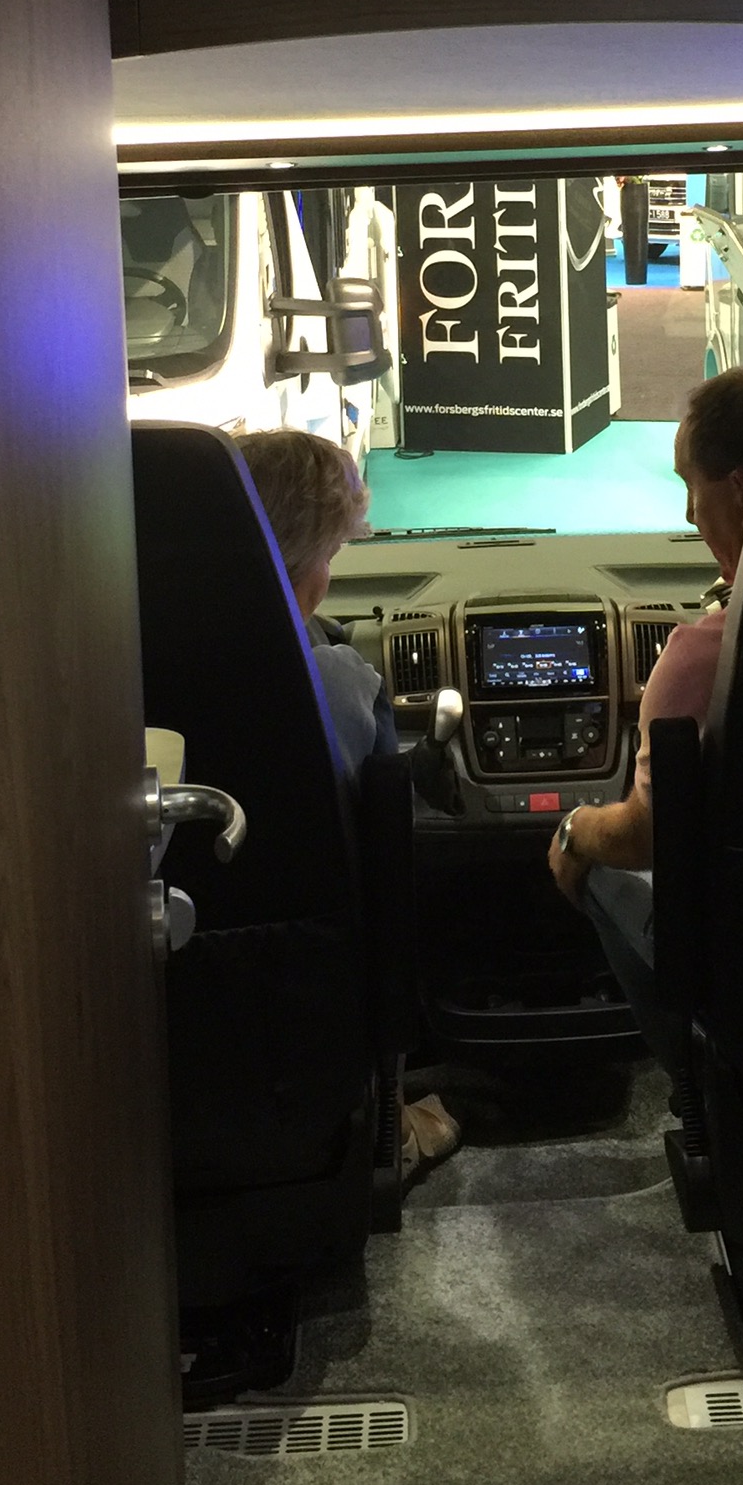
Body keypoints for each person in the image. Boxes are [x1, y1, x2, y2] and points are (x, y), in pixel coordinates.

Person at [544, 363, 743, 1086]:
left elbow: (646, 838)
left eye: (692, 487)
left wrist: (575, 828)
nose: (688, 515)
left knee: (594, 858)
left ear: (738, 490)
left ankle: (703, 1085)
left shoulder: (703, 657)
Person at [232, 428, 460, 1184]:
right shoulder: (339, 680)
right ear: (308, 564)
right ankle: (393, 1123)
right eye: (330, 554)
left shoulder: (117, 665)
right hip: (312, 988)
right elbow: (385, 846)